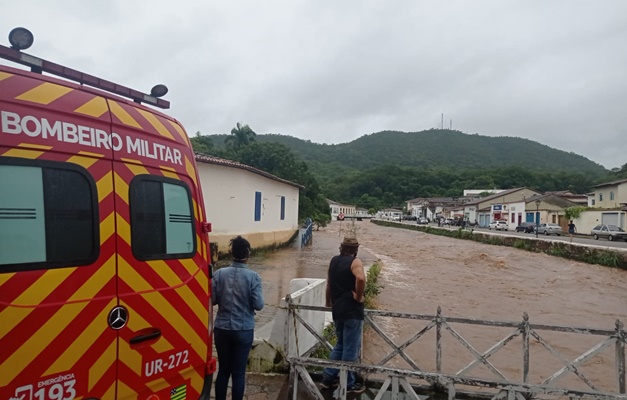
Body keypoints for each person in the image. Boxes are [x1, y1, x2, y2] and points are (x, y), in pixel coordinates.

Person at [212, 236, 264, 400]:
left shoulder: (219, 274)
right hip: (243, 330)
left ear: (231, 252)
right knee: (238, 374)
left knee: (223, 371)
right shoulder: (253, 277)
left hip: (221, 329)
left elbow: (212, 300)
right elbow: (259, 304)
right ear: (248, 253)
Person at [321, 236, 366, 394]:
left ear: (341, 248)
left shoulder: (333, 261)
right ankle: (349, 384)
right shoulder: (355, 262)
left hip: (338, 309)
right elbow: (360, 278)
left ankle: (328, 378)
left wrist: (328, 302)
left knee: (340, 344)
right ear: (355, 249)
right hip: (352, 310)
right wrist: (359, 297)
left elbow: (329, 284)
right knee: (350, 348)